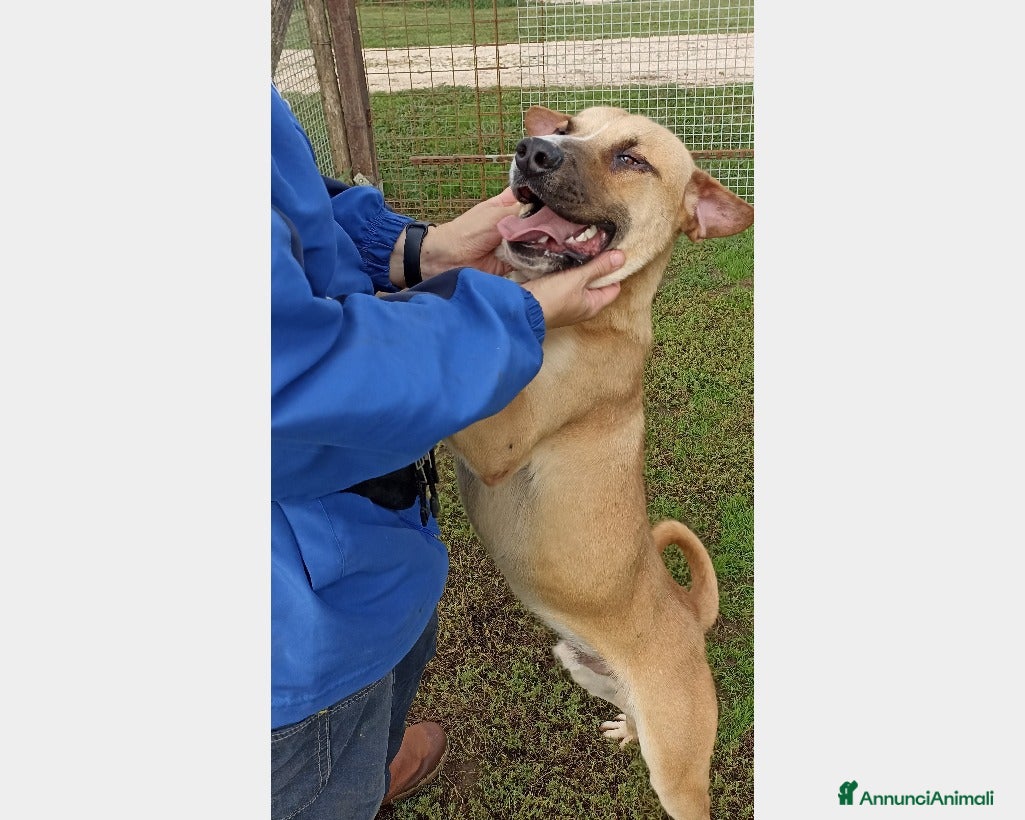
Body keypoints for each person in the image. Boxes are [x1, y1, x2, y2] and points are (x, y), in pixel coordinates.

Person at [270, 83, 624, 820]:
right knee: (317, 753)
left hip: (359, 554)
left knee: (386, 670)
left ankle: (363, 762)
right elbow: (288, 377)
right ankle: (336, 775)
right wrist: (512, 317)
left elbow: (289, 200)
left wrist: (411, 249)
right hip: (284, 641)